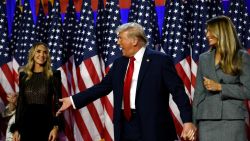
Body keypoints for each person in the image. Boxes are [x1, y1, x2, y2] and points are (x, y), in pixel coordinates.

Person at [57, 22, 196, 141]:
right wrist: (73, 100)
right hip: (125, 125)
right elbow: (102, 87)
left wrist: (187, 121)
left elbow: (178, 93)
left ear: (134, 40)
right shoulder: (119, 64)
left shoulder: (160, 60)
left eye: (120, 38)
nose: (118, 42)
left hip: (153, 127)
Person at [192, 15, 250, 141]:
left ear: (221, 32)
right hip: (206, 119)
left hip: (232, 119)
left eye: (210, 31)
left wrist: (220, 87)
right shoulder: (203, 58)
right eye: (206, 31)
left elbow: (248, 90)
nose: (207, 34)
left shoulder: (241, 57)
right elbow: (198, 93)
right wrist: (193, 123)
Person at [10, 42, 62, 141]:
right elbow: (21, 103)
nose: (41, 55)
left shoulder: (54, 75)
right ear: (33, 54)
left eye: (45, 52)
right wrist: (16, 129)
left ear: (47, 55)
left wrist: (56, 127)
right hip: (26, 124)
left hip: (46, 124)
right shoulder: (24, 76)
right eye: (38, 51)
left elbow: (57, 104)